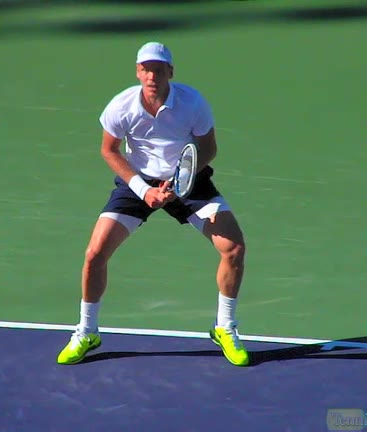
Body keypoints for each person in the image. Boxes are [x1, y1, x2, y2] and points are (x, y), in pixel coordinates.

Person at [57, 41, 248, 366]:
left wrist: (181, 180)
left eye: (158, 70)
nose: (152, 77)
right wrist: (144, 190)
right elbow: (109, 150)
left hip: (188, 181)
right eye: (146, 70)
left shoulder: (192, 102)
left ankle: (225, 327)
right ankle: (87, 331)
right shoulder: (121, 107)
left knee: (233, 248)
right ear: (137, 72)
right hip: (137, 182)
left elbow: (209, 148)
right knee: (95, 254)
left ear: (170, 72)